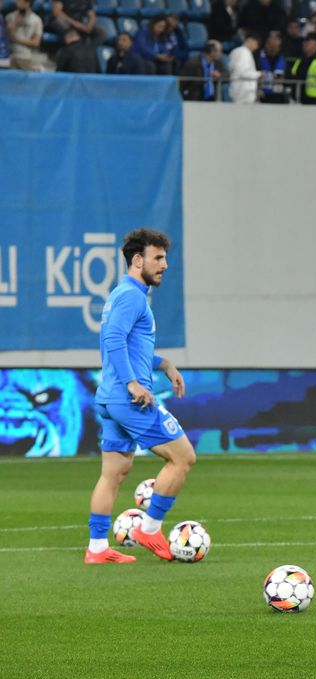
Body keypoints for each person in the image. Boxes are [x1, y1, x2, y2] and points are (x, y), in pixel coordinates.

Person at [85, 228, 195, 565]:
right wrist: (133, 384)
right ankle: (149, 527)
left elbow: (128, 347)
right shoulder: (132, 296)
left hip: (109, 398)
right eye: (157, 258)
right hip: (128, 399)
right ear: (137, 260)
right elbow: (115, 341)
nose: (164, 265)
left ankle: (98, 549)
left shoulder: (123, 295)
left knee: (113, 473)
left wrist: (163, 364)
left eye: (164, 257)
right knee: (183, 458)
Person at [6, 0, 45, 72]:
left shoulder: (36, 20)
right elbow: (6, 37)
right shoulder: (10, 17)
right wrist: (15, 23)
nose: (17, 2)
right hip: (10, 56)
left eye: (20, 1)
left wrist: (16, 40)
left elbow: (36, 42)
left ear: (28, 3)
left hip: (26, 57)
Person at [226, 32, 260, 103]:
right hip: (242, 92)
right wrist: (259, 74)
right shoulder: (243, 52)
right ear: (250, 40)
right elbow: (242, 73)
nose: (257, 47)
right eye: (256, 43)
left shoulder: (238, 52)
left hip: (240, 92)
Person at [258, 30, 290, 103]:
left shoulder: (285, 55)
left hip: (280, 94)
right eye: (271, 38)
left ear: (280, 41)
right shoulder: (259, 56)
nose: (273, 41)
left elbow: (289, 74)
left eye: (276, 38)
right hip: (263, 94)